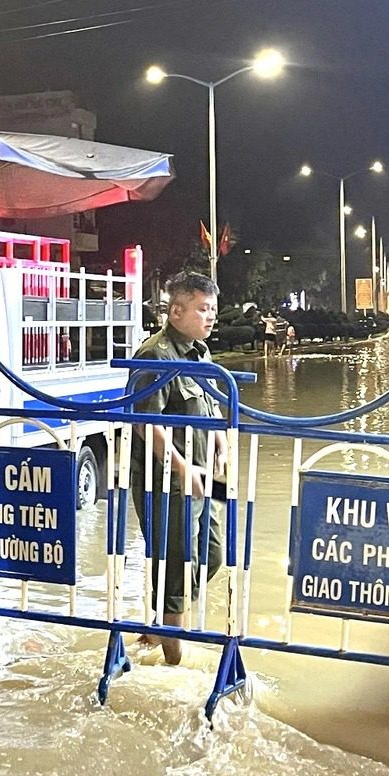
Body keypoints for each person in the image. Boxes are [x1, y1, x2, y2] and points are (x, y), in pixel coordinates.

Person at [128, 270, 228, 665]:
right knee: (176, 565)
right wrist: (181, 466)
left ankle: (158, 627)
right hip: (169, 480)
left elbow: (211, 403)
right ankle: (174, 663)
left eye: (213, 310)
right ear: (176, 311)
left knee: (215, 553)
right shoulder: (156, 356)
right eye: (203, 309)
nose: (211, 317)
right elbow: (144, 423)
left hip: (206, 476)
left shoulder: (200, 352)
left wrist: (220, 442)